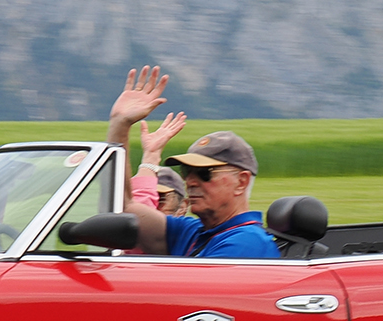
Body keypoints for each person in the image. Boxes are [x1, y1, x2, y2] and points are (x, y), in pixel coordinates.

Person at [105, 66, 279, 258]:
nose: (190, 182)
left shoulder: (246, 243)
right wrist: (120, 124)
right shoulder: (193, 231)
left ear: (241, 182)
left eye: (205, 173)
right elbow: (124, 208)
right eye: (187, 172)